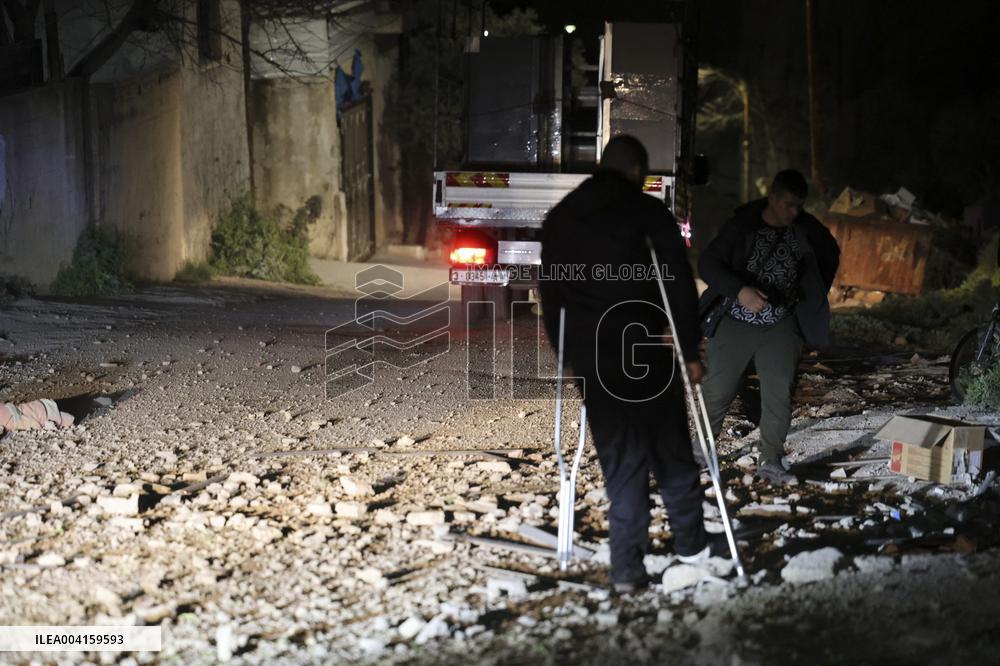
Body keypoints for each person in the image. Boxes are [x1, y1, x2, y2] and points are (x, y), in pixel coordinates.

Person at [539, 135, 725, 592]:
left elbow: (549, 292)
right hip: (644, 351)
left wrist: (568, 355)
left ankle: (627, 569)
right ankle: (691, 543)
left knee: (622, 462)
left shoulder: (561, 217)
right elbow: (677, 282)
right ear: (638, 170)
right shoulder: (646, 213)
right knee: (670, 450)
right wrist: (688, 348)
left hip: (593, 358)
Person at [698, 169, 840, 485]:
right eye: (788, 204)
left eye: (799, 206)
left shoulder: (804, 230)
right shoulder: (742, 227)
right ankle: (701, 453)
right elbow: (707, 264)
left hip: (781, 324)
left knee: (778, 394)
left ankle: (771, 460)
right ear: (772, 197)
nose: (794, 212)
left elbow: (829, 253)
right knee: (718, 391)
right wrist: (740, 291)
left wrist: (811, 295)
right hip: (736, 321)